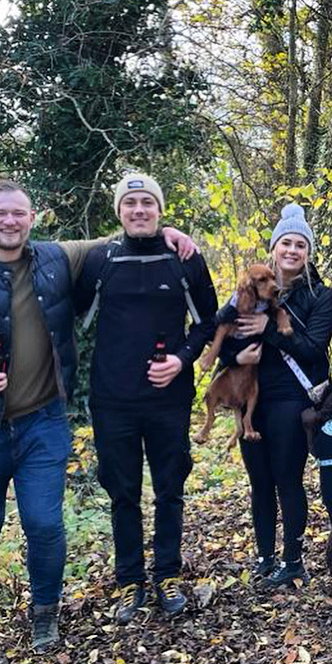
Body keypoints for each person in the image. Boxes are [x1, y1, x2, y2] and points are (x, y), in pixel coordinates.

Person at [0, 179, 194, 662]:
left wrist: (169, 230)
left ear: (32, 218)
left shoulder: (56, 258)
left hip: (42, 423)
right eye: (0, 214)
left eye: (19, 213)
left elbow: (118, 235)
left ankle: (45, 618)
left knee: (45, 525)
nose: (10, 221)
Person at [75, 173, 217, 623]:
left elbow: (208, 323)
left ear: (160, 209)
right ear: (119, 211)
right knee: (122, 493)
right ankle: (129, 580)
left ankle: (168, 573)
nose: (139, 210)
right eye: (130, 203)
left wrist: (182, 359)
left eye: (147, 203)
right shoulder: (101, 260)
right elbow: (69, 319)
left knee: (170, 488)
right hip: (112, 399)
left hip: (169, 400)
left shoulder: (184, 259)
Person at [214, 203, 332, 588]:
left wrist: (268, 328)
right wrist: (235, 355)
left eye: (300, 244)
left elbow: (314, 349)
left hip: (292, 399)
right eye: (286, 243)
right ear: (275, 247)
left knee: (287, 478)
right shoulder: (249, 289)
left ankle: (293, 560)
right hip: (252, 397)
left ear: (308, 252)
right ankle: (265, 557)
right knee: (259, 481)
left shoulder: (319, 296)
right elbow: (222, 334)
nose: (292, 251)